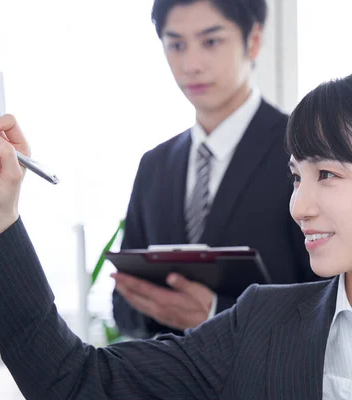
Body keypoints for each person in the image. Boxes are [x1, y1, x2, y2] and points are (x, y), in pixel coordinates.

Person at [0, 69, 352, 400]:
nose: (299, 205)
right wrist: (0, 219)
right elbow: (75, 383)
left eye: (327, 175)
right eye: (296, 177)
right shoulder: (260, 324)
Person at [112, 0, 317, 338]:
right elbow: (122, 304)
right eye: (176, 45)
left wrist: (214, 313)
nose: (191, 65)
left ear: (253, 41)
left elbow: (327, 296)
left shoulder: (303, 150)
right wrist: (166, 310)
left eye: (211, 42)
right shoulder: (154, 164)